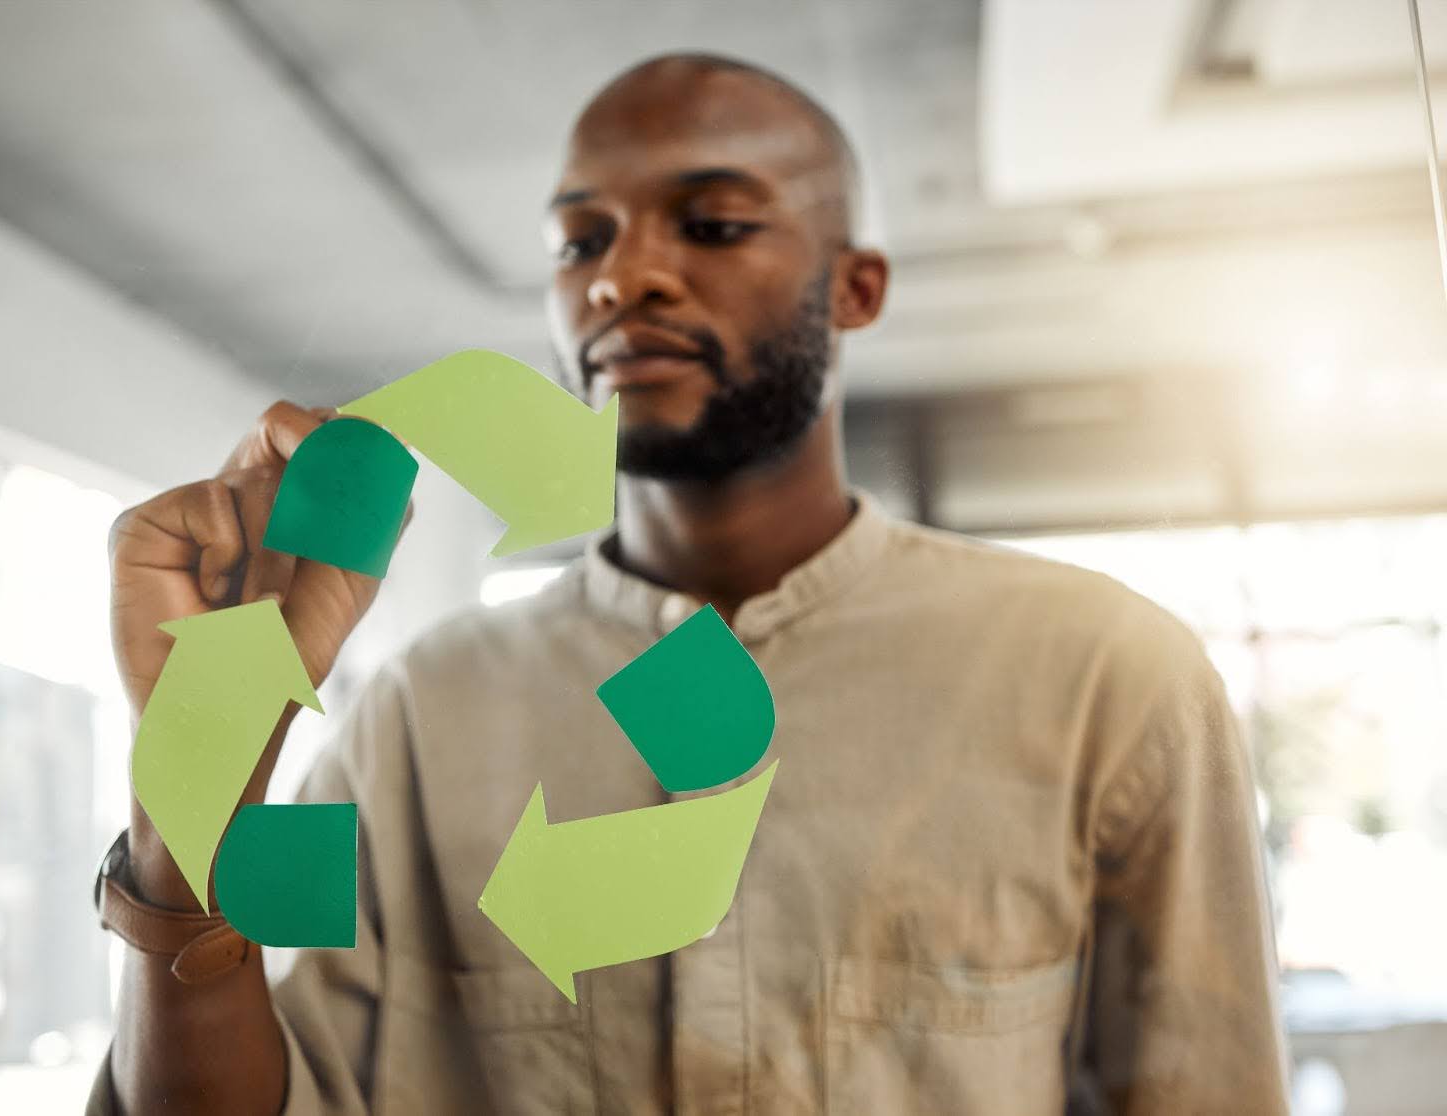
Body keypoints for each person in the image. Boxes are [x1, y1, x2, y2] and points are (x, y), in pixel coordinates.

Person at [86, 53, 1289, 1115]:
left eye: (710, 225)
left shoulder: (1100, 679)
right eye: (580, 241)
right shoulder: (417, 717)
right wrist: (196, 766)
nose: (622, 279)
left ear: (854, 289)